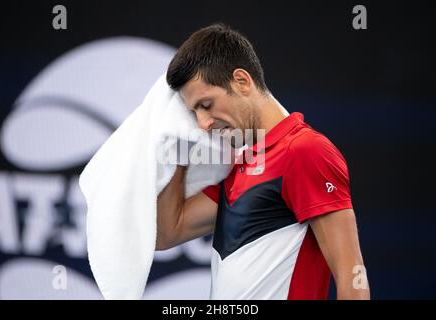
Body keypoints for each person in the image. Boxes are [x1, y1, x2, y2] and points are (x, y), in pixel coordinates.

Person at [156, 23, 370, 300]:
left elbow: (351, 275)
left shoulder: (305, 151)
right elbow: (166, 233)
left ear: (242, 81)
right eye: (193, 113)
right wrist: (177, 148)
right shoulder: (240, 165)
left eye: (206, 105)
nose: (203, 124)